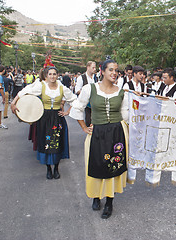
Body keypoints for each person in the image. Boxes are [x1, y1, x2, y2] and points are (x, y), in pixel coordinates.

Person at [69, 59, 129, 219]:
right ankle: (96, 196)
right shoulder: (90, 89)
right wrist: (83, 127)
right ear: (102, 71)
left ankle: (109, 201)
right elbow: (77, 108)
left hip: (117, 132)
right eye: (110, 70)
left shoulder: (121, 91)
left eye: (116, 70)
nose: (114, 73)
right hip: (97, 132)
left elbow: (126, 114)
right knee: (96, 164)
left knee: (113, 166)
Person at [11, 67, 77, 179]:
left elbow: (74, 99)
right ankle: (48, 169)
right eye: (50, 74)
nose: (52, 76)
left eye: (54, 74)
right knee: (45, 142)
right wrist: (13, 103)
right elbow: (24, 91)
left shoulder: (62, 88)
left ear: (57, 75)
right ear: (46, 76)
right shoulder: (41, 86)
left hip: (57, 118)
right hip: (44, 117)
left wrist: (67, 112)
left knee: (57, 143)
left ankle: (56, 168)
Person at [75, 61, 98, 126]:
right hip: (87, 104)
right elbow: (77, 90)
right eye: (93, 67)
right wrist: (86, 92)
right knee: (88, 120)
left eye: (95, 67)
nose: (94, 69)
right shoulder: (81, 78)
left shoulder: (96, 77)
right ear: (88, 67)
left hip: (96, 102)